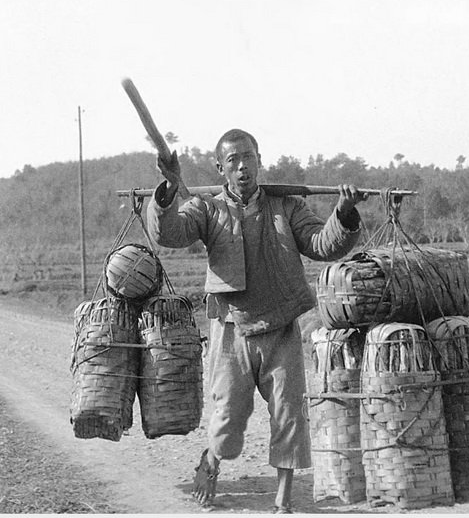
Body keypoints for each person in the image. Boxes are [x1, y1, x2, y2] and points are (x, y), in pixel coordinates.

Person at [146, 128, 367, 513]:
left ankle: (283, 501)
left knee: (289, 415)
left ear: (260, 161)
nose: (243, 166)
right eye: (233, 161)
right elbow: (170, 232)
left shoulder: (287, 208)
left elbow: (321, 244)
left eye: (249, 157)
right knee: (228, 421)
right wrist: (168, 188)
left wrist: (343, 213)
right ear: (221, 169)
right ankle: (212, 460)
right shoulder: (206, 209)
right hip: (230, 327)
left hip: (280, 325)